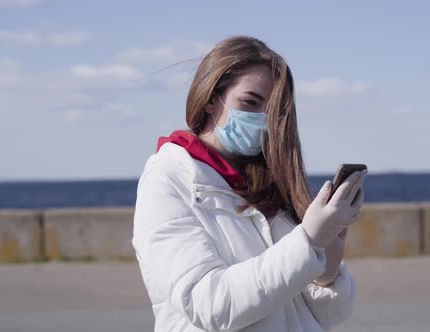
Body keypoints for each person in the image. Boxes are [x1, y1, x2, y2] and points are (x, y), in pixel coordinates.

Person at [132, 35, 368, 332]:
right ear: (210, 99)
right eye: (250, 103)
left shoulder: (274, 180)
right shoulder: (168, 178)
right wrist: (307, 242)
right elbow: (210, 305)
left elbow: (330, 315)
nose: (262, 119)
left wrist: (328, 266)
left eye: (273, 111)